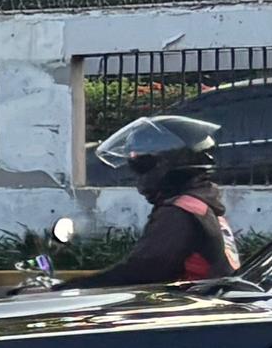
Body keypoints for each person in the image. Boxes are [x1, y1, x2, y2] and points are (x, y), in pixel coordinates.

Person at [85, 114, 240, 288]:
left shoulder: (179, 214)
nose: (138, 176)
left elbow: (140, 273)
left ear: (170, 163)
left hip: (189, 307)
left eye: (142, 164)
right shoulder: (200, 203)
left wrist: (71, 289)